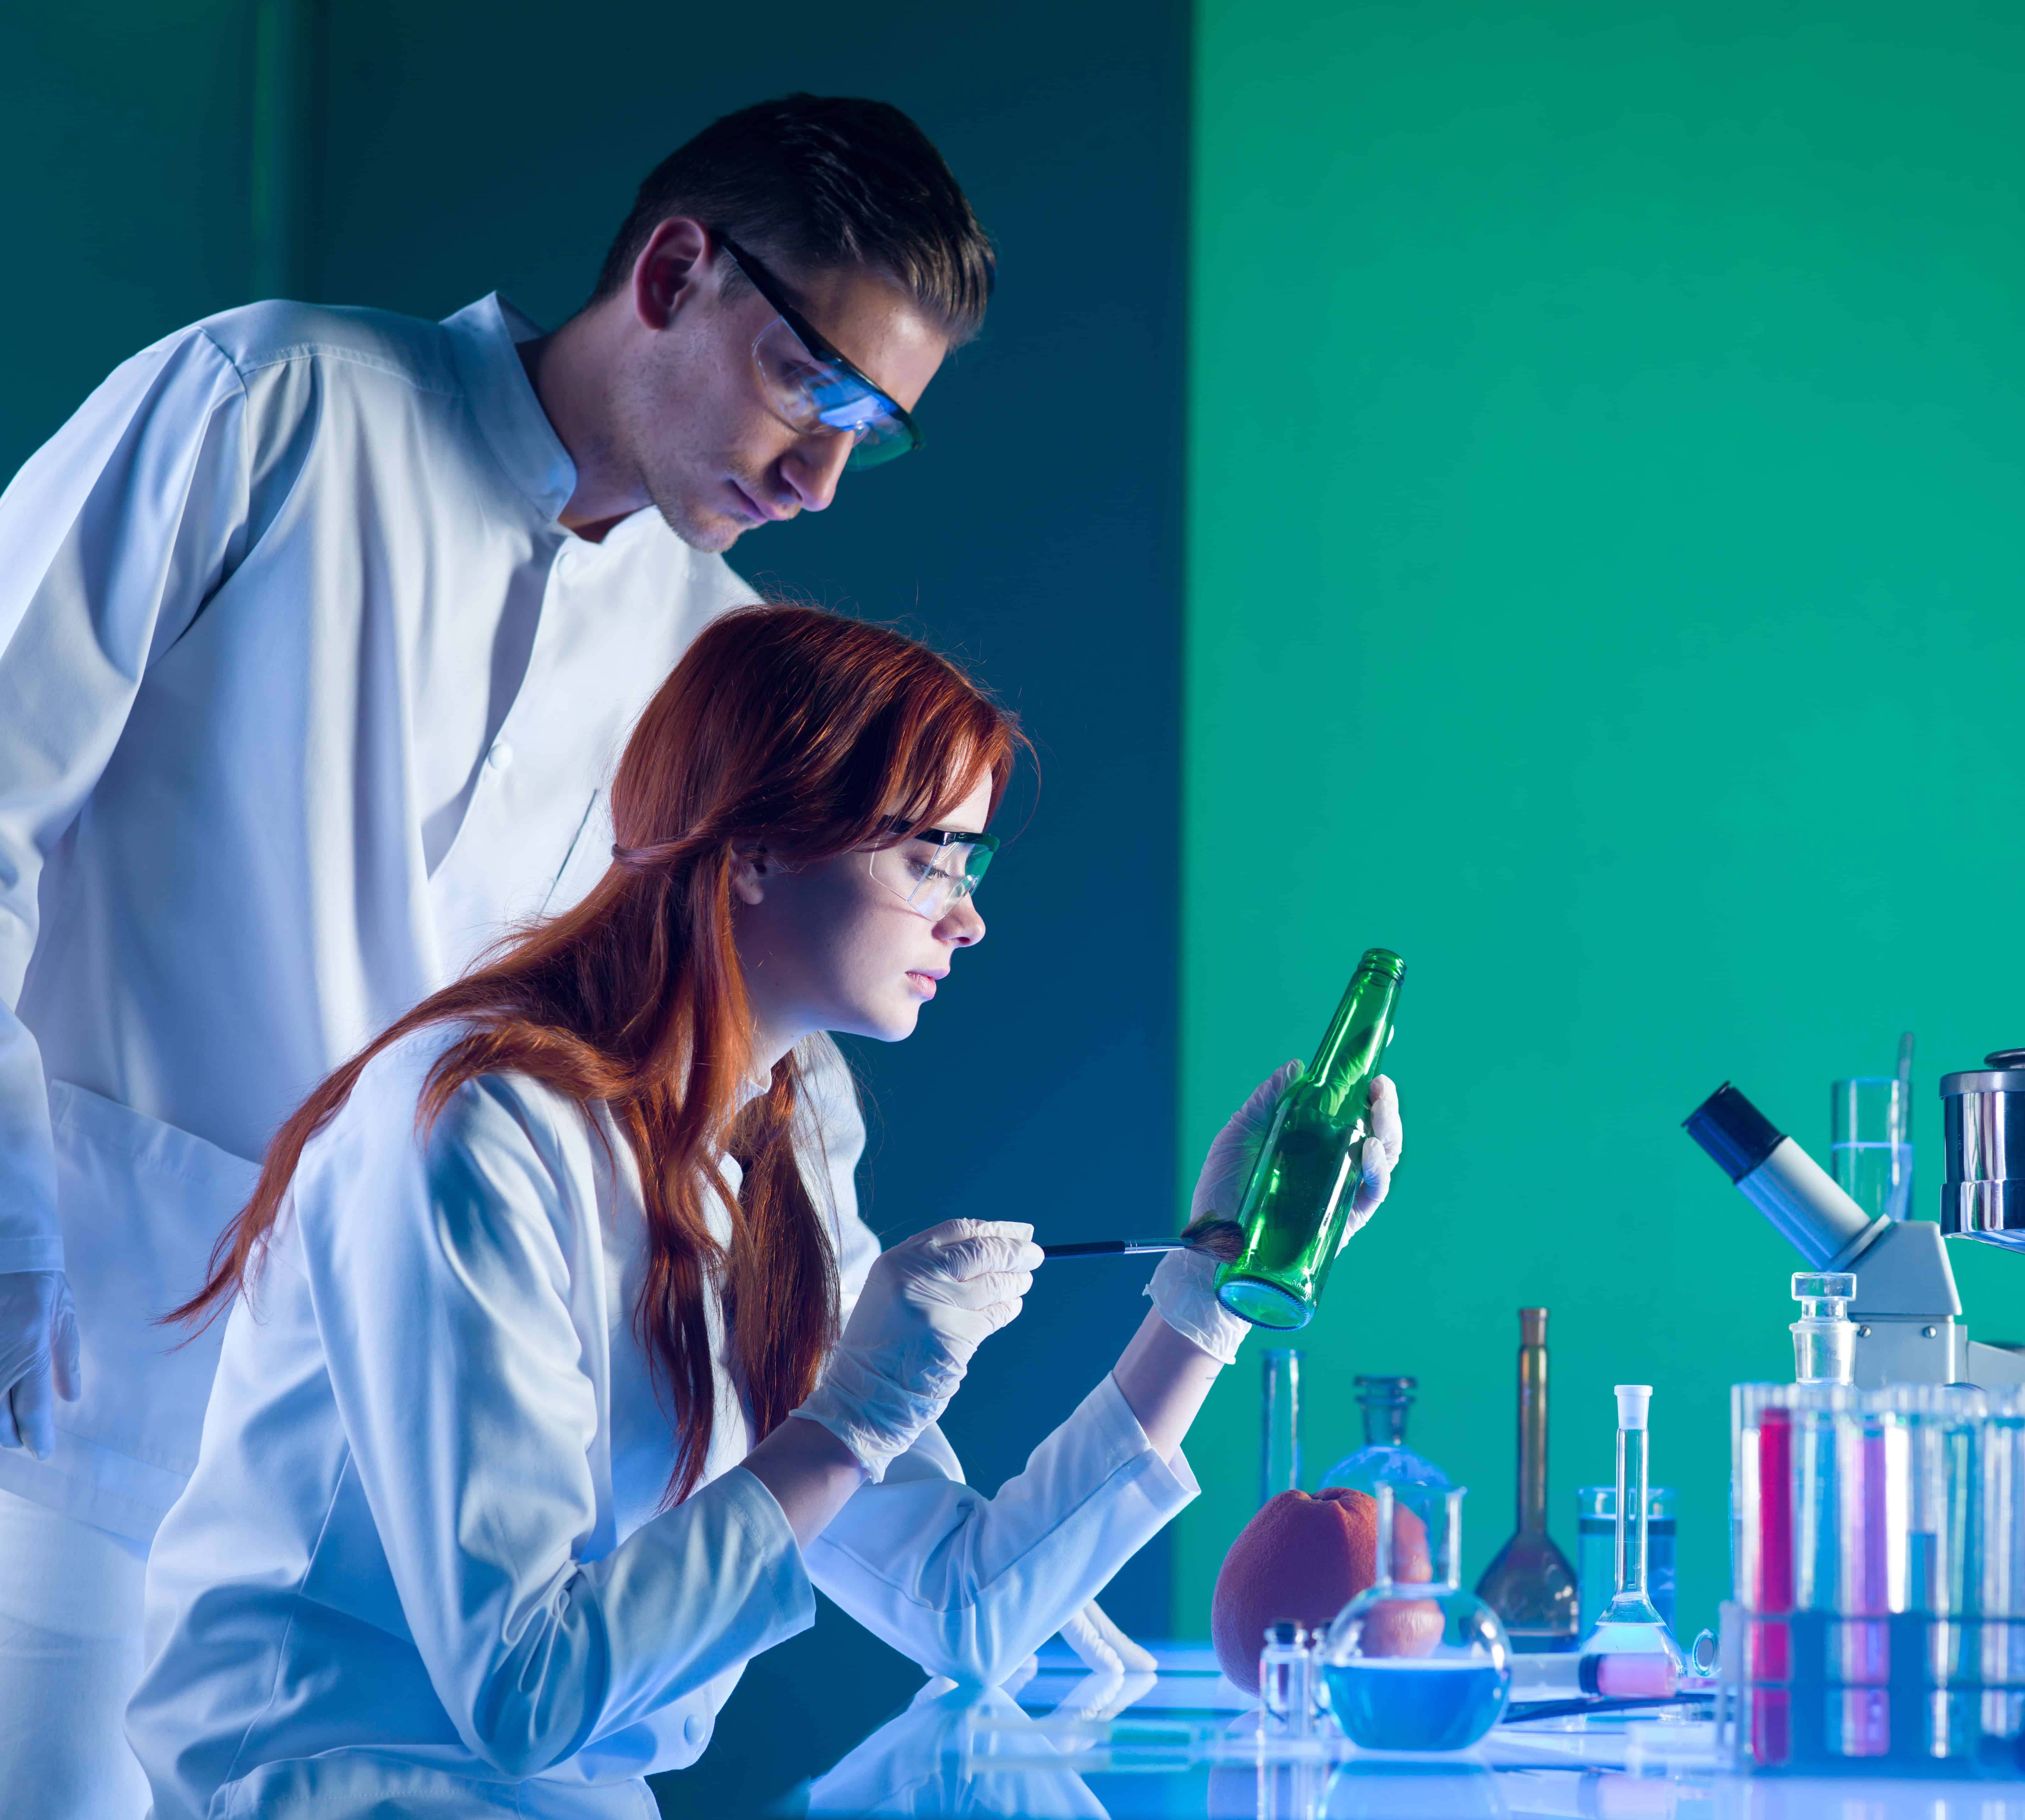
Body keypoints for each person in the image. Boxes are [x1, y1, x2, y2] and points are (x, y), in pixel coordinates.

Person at [0, 95, 992, 1813]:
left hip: (388, 1522)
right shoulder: (267, 406)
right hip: (67, 1389)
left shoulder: (715, 651)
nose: (819, 477)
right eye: (807, 386)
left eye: (872, 434)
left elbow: (688, 1057)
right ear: (676, 269)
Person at [127, 606, 1404, 1818]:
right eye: (926, 858)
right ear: (751, 854)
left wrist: (1213, 1286)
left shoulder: (786, 1122)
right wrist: (847, 1422)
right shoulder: (474, 1127)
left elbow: (965, 1610)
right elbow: (522, 1690)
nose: (969, 917)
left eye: (969, 861)